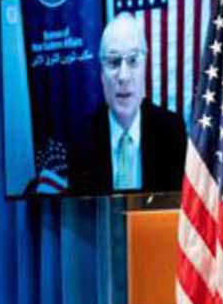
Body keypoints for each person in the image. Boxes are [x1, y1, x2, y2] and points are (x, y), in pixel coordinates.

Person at [67, 11, 187, 193]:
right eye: (114, 62)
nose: (123, 76)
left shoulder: (172, 132)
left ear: (144, 69)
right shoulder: (81, 140)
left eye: (132, 61)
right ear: (101, 75)